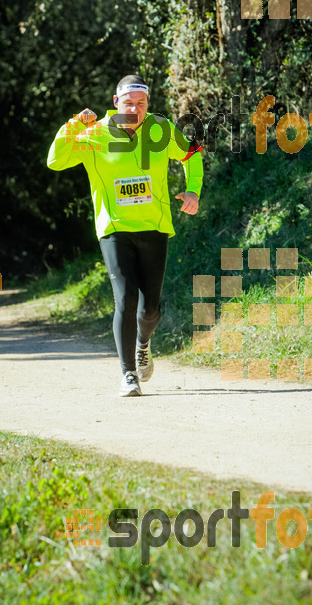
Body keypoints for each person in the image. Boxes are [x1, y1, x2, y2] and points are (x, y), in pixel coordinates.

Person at [47, 74, 203, 397]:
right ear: (116, 103)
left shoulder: (160, 130)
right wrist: (74, 123)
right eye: (128, 103)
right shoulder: (94, 134)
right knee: (125, 298)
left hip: (154, 228)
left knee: (150, 310)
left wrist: (193, 191)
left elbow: (193, 154)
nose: (134, 109)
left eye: (141, 104)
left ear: (148, 104)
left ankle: (143, 343)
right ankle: (128, 374)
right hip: (114, 229)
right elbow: (55, 159)